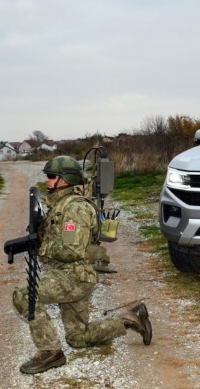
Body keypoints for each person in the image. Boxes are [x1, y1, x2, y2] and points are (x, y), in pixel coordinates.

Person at [13, 155, 152, 375]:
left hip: (73, 276)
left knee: (23, 295)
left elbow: (70, 251)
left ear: (64, 180)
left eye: (51, 177)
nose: (47, 180)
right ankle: (130, 318)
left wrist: (39, 247)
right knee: (78, 338)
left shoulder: (74, 209)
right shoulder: (59, 205)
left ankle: (50, 352)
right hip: (72, 275)